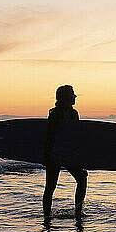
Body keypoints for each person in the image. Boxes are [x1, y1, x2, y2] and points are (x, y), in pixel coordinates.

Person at [42, 85, 88, 223]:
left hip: (68, 153)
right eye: (72, 95)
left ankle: (78, 212)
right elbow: (49, 136)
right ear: (65, 98)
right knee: (51, 186)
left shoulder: (74, 113)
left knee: (82, 179)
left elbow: (76, 136)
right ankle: (46, 216)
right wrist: (47, 156)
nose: (74, 97)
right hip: (55, 153)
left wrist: (80, 159)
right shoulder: (55, 114)